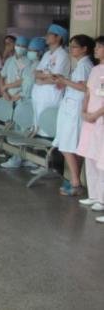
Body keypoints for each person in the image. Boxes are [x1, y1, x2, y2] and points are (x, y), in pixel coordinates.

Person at [51, 35, 95, 196]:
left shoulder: (85, 65)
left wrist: (64, 81)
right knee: (71, 146)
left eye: (75, 46)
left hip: (75, 110)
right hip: (71, 108)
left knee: (66, 146)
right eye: (70, 46)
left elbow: (84, 88)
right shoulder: (81, 65)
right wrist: (65, 82)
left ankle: (75, 182)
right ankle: (74, 181)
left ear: (84, 49)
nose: (71, 49)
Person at [0, 37, 46, 169]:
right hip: (21, 99)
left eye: (31, 49)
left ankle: (17, 159)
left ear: (40, 52)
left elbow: (28, 84)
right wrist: (5, 90)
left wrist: (19, 95)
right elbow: (25, 80)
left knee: (23, 130)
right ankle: (22, 157)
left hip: (25, 99)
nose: (28, 51)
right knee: (19, 129)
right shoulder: (31, 64)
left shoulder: (35, 64)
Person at [76, 36, 104, 222]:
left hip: (100, 119)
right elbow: (88, 92)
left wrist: (95, 115)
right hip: (90, 119)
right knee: (90, 156)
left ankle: (102, 199)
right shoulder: (95, 69)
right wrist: (84, 110)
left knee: (102, 160)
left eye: (100, 47)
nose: (96, 49)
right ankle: (94, 195)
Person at [32, 24, 71, 136]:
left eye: (49, 34)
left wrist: (42, 79)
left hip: (51, 94)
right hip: (39, 93)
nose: (46, 36)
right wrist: (46, 76)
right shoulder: (46, 54)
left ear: (58, 37)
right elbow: (35, 72)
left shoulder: (62, 55)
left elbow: (56, 77)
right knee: (37, 121)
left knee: (47, 125)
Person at [0, 36, 30, 102]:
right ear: (15, 45)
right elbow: (2, 76)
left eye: (23, 46)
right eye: (18, 45)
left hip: (19, 96)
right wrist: (3, 91)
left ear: (27, 48)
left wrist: (6, 86)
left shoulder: (28, 62)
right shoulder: (9, 60)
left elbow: (23, 80)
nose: (20, 48)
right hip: (7, 95)